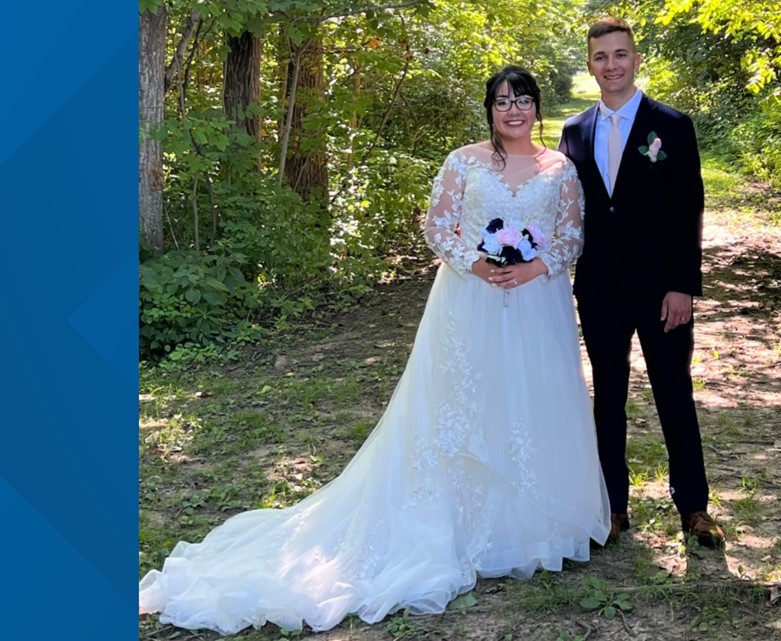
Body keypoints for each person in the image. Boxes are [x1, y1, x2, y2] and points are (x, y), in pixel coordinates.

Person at [138, 66, 611, 635]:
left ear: (538, 108)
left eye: (524, 100)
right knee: (459, 408)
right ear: (488, 109)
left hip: (536, 306)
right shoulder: (462, 161)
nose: (513, 110)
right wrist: (480, 264)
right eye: (502, 101)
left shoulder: (559, 168)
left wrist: (532, 266)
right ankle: (454, 527)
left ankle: (530, 528)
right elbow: (438, 229)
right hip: (468, 302)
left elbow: (571, 236)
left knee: (530, 403)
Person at [558, 17, 725, 549]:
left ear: (636, 58)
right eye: (601, 57)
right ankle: (613, 507)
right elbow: (570, 209)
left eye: (620, 54)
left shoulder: (672, 126)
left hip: (660, 288)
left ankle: (694, 507)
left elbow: (687, 210)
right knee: (607, 395)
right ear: (591, 64)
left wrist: (683, 285)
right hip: (600, 286)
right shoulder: (574, 131)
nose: (612, 65)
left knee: (673, 391)